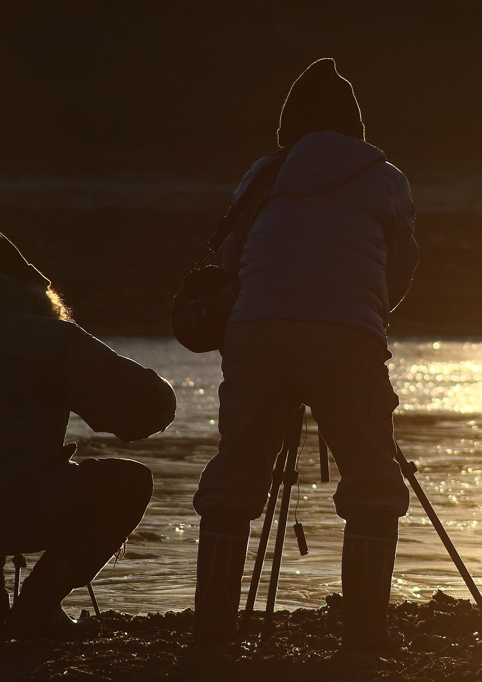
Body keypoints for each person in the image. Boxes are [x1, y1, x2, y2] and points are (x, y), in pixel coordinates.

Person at [191, 58, 419, 652]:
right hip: (348, 334)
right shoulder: (385, 178)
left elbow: (232, 263)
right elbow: (402, 267)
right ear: (357, 126)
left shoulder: (263, 176)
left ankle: (212, 632)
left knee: (234, 478)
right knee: (372, 478)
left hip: (255, 329)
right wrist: (368, 316)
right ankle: (365, 637)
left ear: (287, 126)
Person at [0, 227, 177, 647]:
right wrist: (164, 391)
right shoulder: (46, 338)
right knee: (126, 484)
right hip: (1, 506)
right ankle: (38, 608)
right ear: (34, 295)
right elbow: (146, 407)